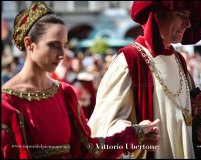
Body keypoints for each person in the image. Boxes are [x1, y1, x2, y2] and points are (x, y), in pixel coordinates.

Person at [1, 2, 161, 159]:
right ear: (30, 44)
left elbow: (88, 150)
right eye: (53, 45)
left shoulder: (64, 93)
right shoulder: (7, 103)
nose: (62, 54)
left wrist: (134, 134)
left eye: (63, 45)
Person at [88, 1, 201, 159]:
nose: (187, 24)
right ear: (157, 16)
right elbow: (102, 125)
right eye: (180, 15)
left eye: (188, 17)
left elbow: (186, 116)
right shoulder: (129, 61)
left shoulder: (179, 59)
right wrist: (136, 134)